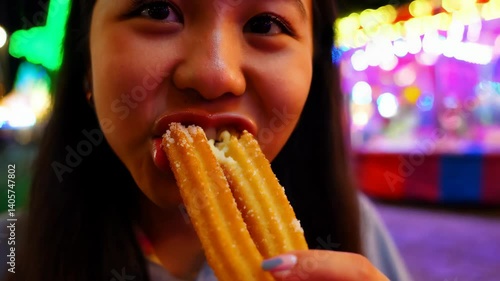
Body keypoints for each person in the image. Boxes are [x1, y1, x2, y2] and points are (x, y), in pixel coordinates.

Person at [2, 0, 413, 280]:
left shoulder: (360, 232)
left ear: (313, 70)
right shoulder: (11, 252)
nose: (215, 75)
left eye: (265, 23)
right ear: (86, 63)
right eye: (158, 9)